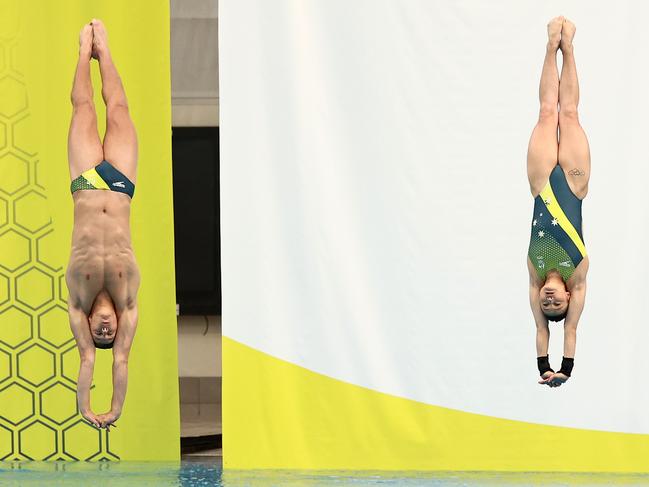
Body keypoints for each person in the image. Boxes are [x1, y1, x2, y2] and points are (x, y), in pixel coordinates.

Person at [65, 19, 140, 428]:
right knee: (119, 109)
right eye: (111, 334)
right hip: (121, 184)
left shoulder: (79, 299)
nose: (109, 330)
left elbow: (88, 357)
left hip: (87, 184)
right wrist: (116, 409)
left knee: (83, 107)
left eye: (102, 332)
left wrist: (86, 408)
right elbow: (122, 359)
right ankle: (105, 50)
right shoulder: (127, 300)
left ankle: (83, 52)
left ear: (90, 323)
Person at [526, 17, 590, 388]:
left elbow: (540, 327)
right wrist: (563, 368)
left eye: (546, 303)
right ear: (569, 296)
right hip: (573, 184)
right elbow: (571, 330)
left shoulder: (535, 270)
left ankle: (552, 45)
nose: (550, 300)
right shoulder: (577, 274)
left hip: (540, 185)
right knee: (570, 114)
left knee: (547, 113)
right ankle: (570, 47)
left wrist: (541, 367)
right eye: (557, 304)